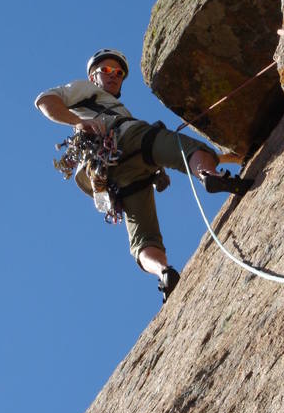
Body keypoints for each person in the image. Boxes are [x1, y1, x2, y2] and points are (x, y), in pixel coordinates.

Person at [35, 48, 253, 301]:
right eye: (106, 70)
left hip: (113, 174)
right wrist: (76, 122)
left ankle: (164, 272)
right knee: (188, 150)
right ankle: (209, 175)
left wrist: (232, 156)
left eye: (119, 73)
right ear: (93, 76)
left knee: (142, 236)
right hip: (124, 140)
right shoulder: (85, 89)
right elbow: (45, 101)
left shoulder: (111, 106)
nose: (114, 75)